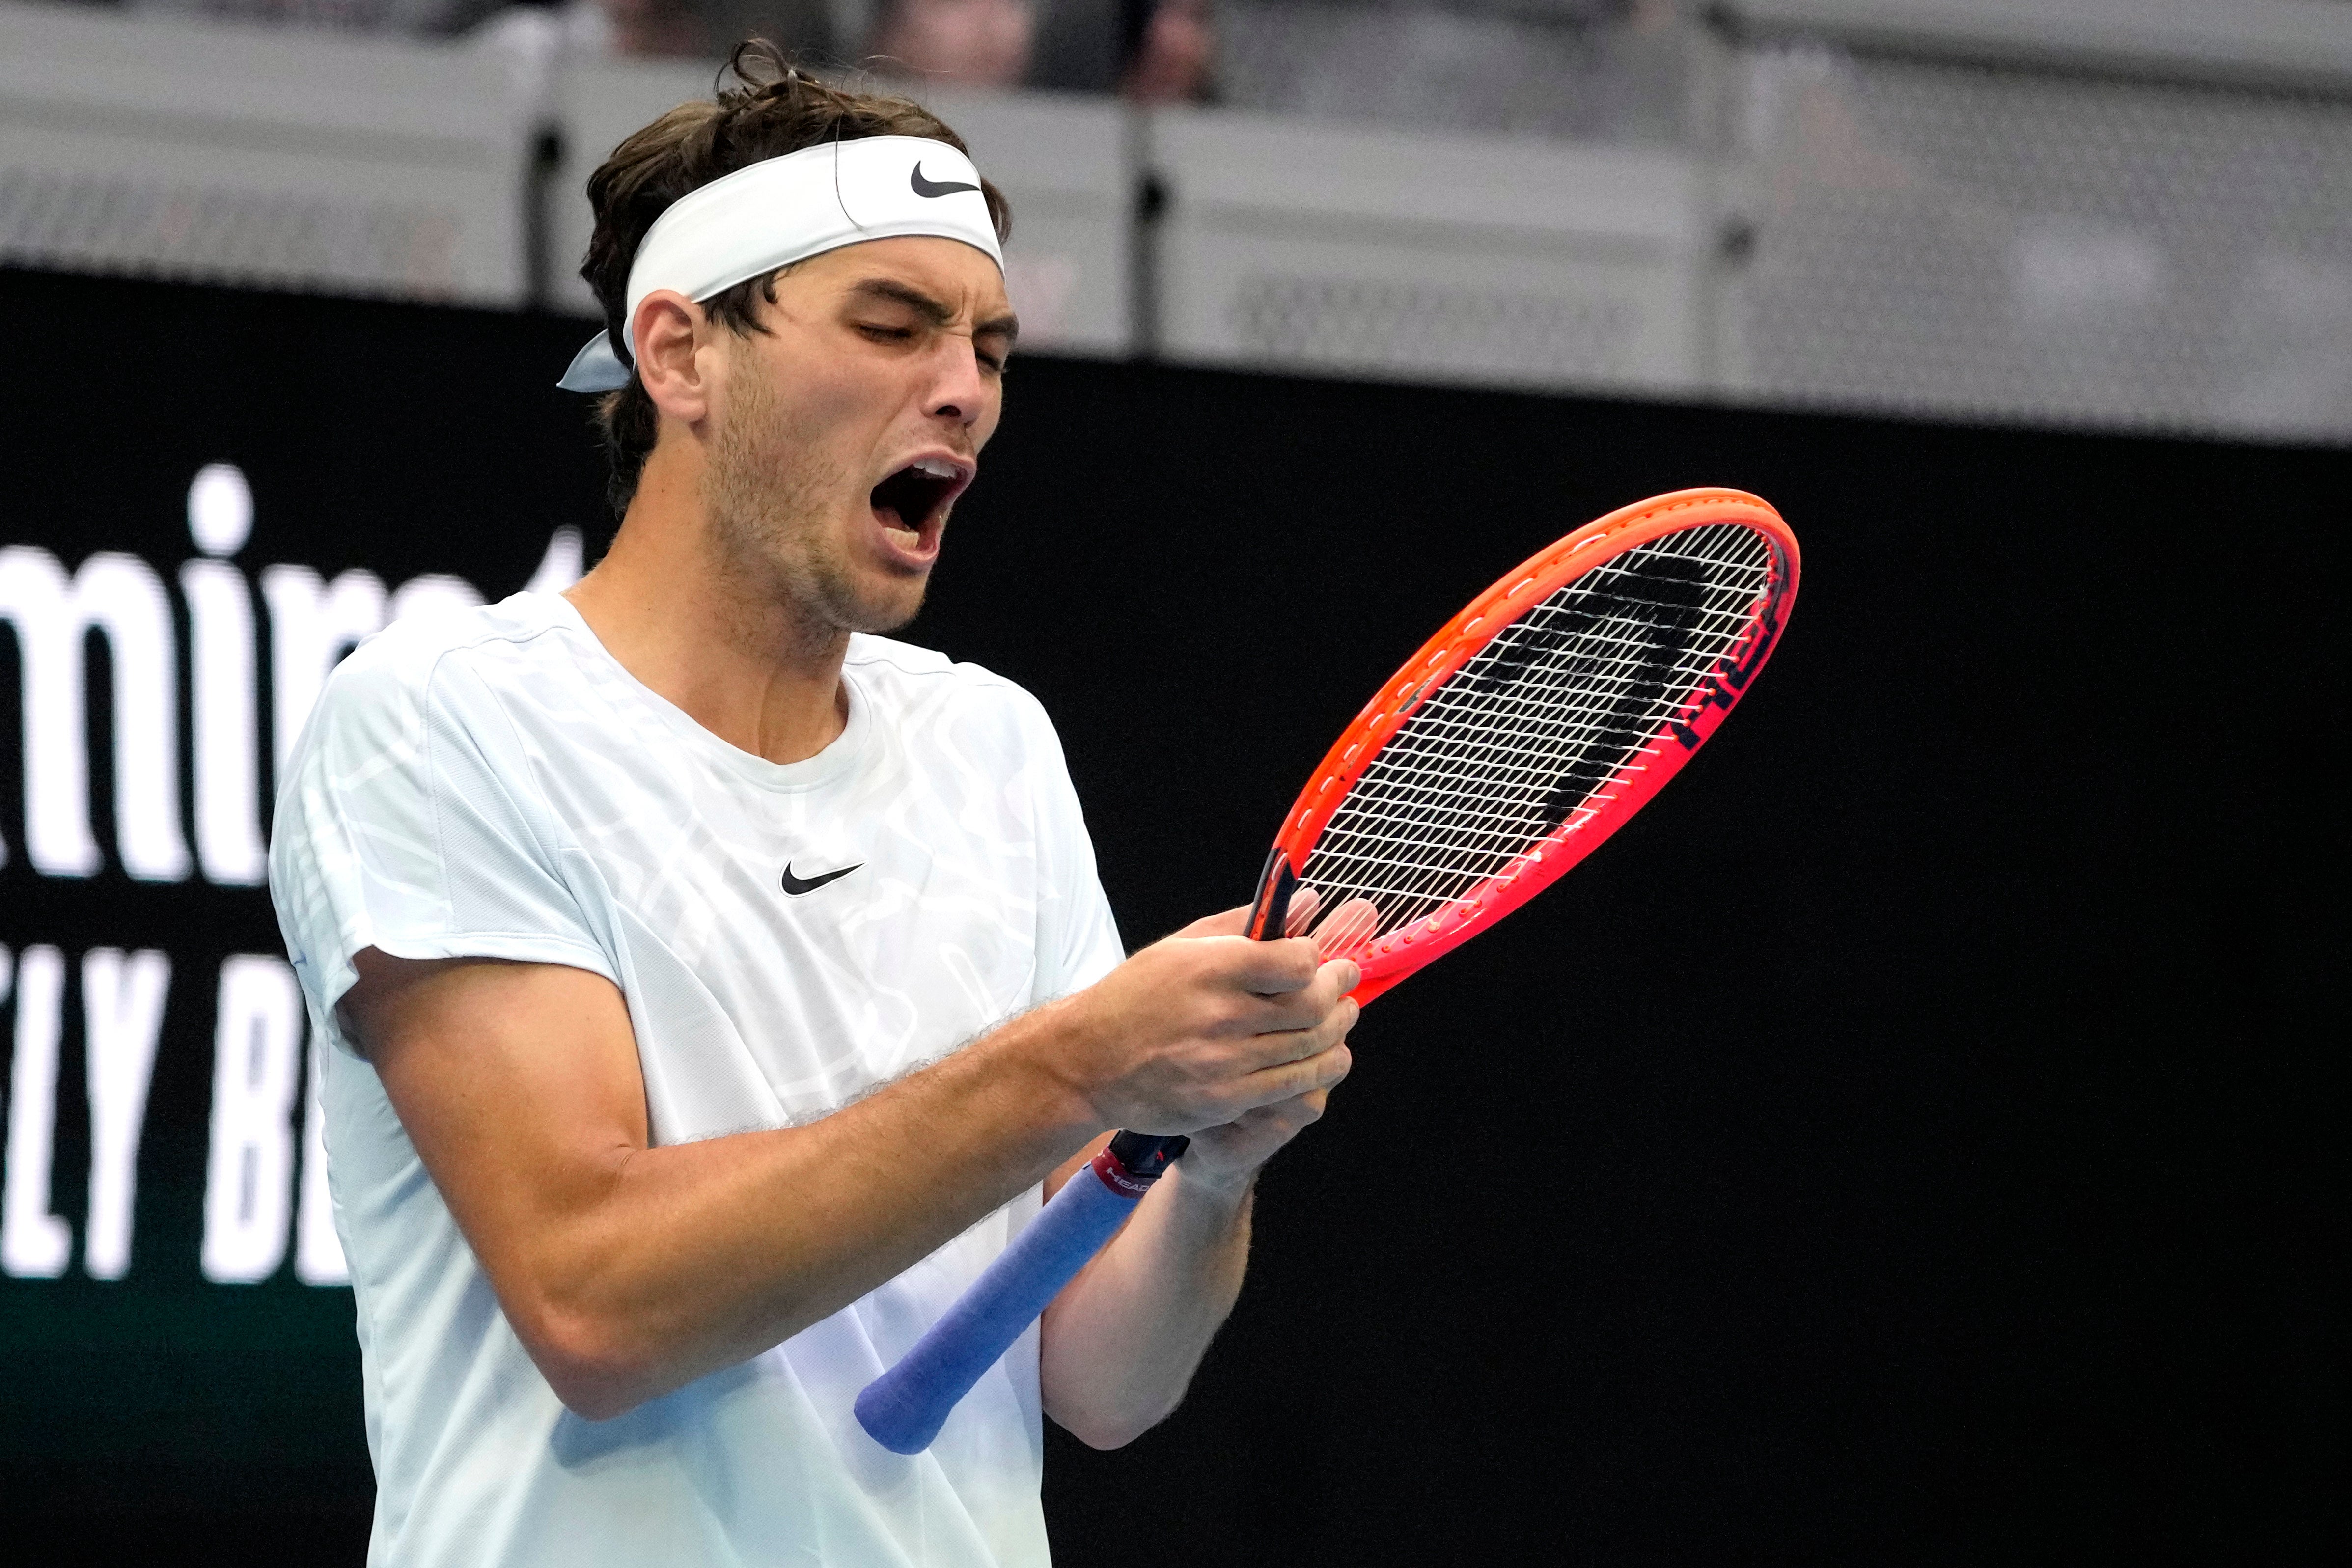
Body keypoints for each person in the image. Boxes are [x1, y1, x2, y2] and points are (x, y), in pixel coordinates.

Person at [269, 40, 1357, 1568]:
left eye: (987, 342)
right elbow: (597, 1295)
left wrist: (1207, 1162)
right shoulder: (444, 720)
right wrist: (1088, 1061)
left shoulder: (994, 746)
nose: (964, 390)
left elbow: (1104, 1381)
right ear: (681, 353)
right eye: (894, 325)